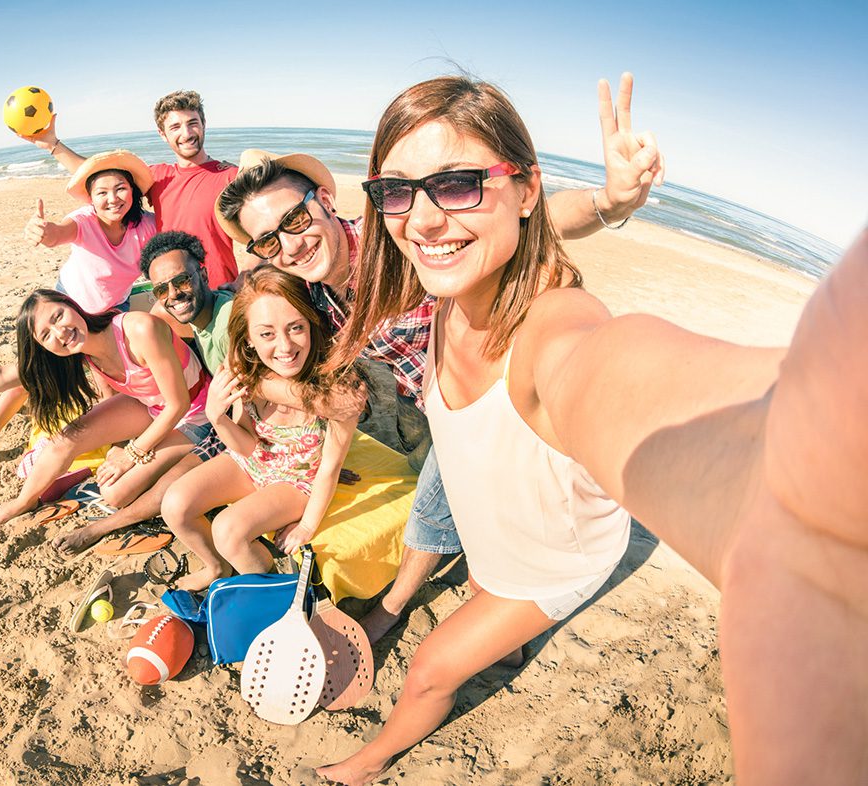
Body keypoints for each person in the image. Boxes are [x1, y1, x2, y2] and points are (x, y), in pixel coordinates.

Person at [315, 74, 867, 786]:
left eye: (455, 184)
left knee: (429, 669)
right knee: (488, 599)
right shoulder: (448, 284)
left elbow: (627, 383)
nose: (420, 220)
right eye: (396, 190)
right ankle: (509, 648)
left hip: (554, 559)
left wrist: (800, 470)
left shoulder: (551, 329)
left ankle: (366, 762)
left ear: (524, 188)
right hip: (501, 535)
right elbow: (541, 220)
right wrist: (607, 203)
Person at [213, 74, 663, 641]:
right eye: (269, 240)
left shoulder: (395, 235)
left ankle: (395, 606)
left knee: (439, 508)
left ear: (324, 201)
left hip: (485, 396)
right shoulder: (307, 291)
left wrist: (608, 201)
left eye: (295, 220)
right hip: (423, 403)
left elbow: (525, 218)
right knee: (467, 510)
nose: (291, 243)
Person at [0, 290, 210, 528]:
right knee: (64, 440)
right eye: (46, 335)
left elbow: (178, 403)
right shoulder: (76, 351)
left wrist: (131, 453)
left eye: (58, 316)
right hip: (148, 405)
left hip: (194, 410)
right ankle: (23, 501)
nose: (60, 332)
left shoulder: (137, 329)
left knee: (115, 493)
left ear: (72, 305)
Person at [0, 150, 158, 482]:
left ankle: (116, 443)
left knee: (110, 382)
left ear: (132, 190)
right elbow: (59, 233)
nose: (112, 199)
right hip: (66, 310)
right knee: (28, 379)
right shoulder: (86, 221)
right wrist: (43, 231)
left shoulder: (145, 227)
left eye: (120, 188)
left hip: (110, 312)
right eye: (101, 193)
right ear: (91, 199)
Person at [159, 265, 366, 591]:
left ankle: (269, 585)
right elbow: (247, 446)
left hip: (299, 480)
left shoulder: (338, 384)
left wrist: (306, 526)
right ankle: (215, 567)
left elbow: (330, 467)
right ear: (250, 338)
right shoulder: (244, 367)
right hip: (255, 462)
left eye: (296, 327)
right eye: (267, 334)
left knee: (228, 529)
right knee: (175, 504)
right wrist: (218, 418)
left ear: (312, 323)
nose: (284, 347)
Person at [48, 230, 234, 552]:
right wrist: (122, 449)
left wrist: (132, 453)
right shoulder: (180, 315)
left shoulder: (229, 320)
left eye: (183, 281)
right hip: (196, 411)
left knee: (173, 485)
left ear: (202, 274)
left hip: (222, 421)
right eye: (162, 288)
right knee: (119, 489)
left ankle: (102, 526)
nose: (174, 293)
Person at [19, 90, 241, 286]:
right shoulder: (159, 177)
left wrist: (244, 278)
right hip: (172, 292)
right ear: (162, 134)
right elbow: (100, 174)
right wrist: (53, 145)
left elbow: (257, 234)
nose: (187, 133)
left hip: (220, 290)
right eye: (175, 127)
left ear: (203, 124)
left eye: (193, 123)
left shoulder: (230, 177)